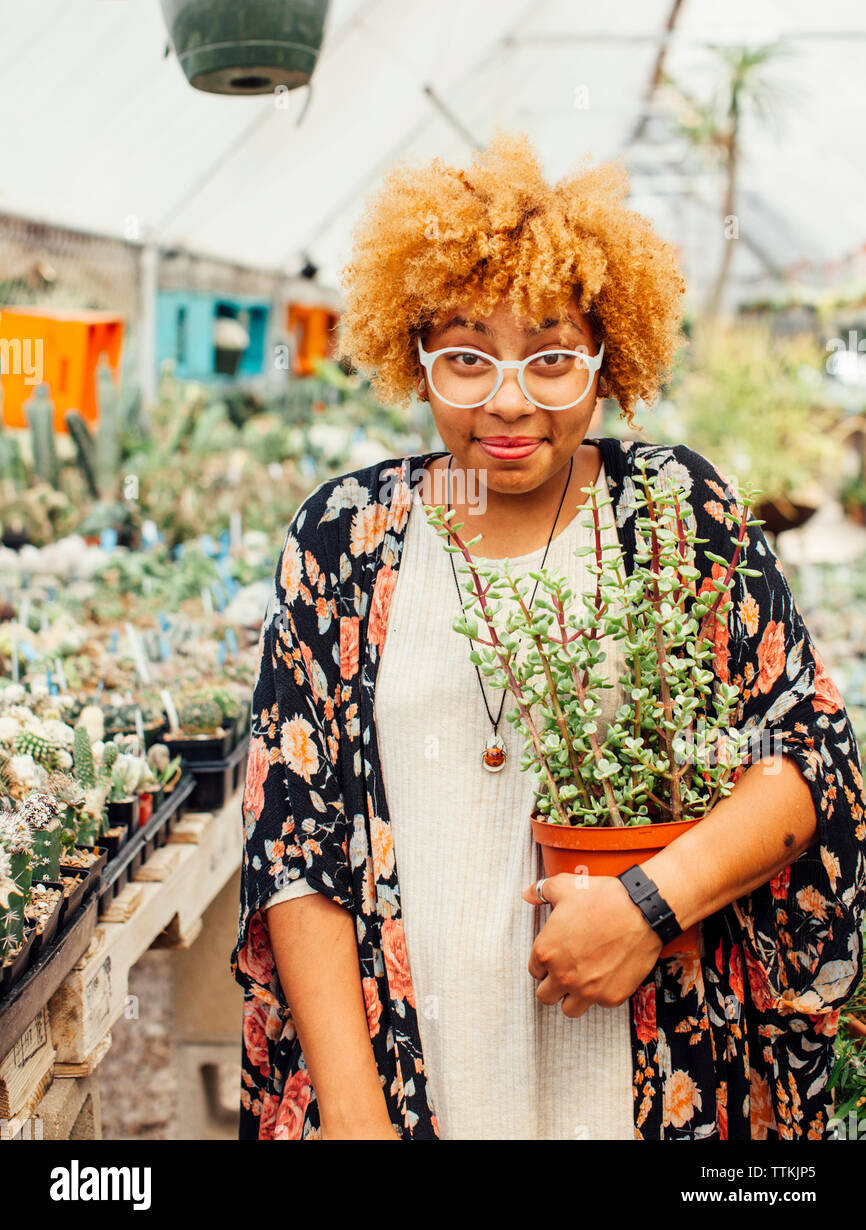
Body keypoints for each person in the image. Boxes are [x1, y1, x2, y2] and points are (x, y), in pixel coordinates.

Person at [231, 129, 866, 1141]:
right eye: (467, 355)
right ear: (415, 353)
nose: (510, 398)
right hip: (416, 1079)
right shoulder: (346, 539)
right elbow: (292, 839)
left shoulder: (675, 513)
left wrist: (649, 905)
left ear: (607, 355)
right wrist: (352, 1115)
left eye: (551, 354)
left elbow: (807, 753)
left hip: (639, 1081)